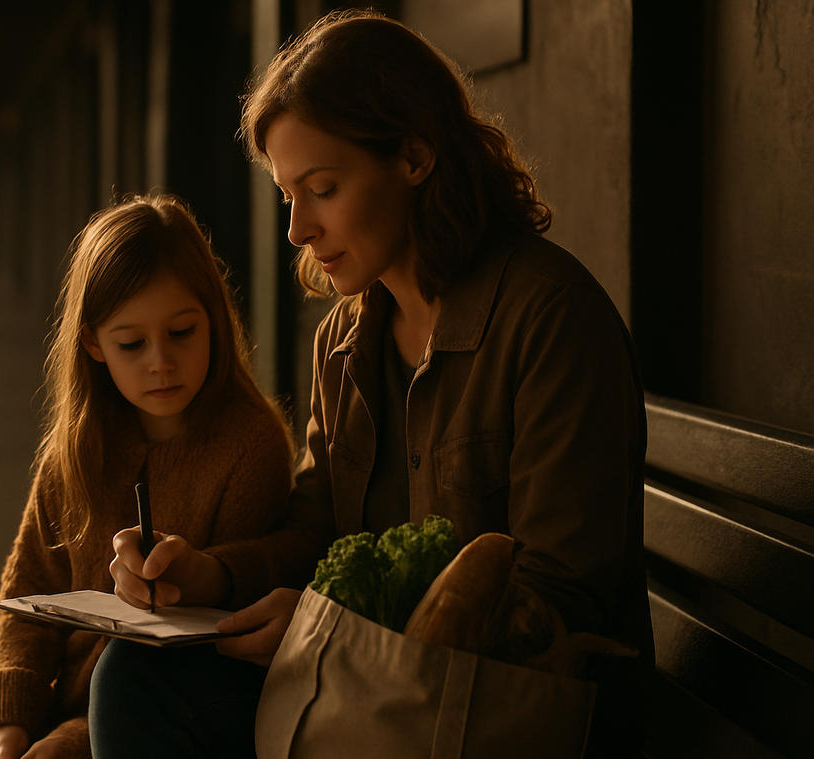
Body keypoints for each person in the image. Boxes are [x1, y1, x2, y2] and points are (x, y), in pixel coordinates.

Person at [92, 9, 653, 759]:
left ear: (415, 155)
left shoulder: (551, 319)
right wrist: (211, 575)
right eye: (288, 195)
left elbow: (553, 600)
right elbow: (315, 531)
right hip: (366, 692)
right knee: (135, 674)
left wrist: (334, 637)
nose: (298, 229)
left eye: (322, 187)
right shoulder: (344, 342)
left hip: (502, 716)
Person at [0, 193, 293, 759]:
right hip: (54, 718)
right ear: (93, 343)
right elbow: (27, 597)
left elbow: (186, 671)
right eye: (131, 343)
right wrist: (10, 732)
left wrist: (68, 742)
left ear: (214, 319)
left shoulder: (249, 447)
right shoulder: (75, 452)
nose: (160, 362)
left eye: (182, 332)